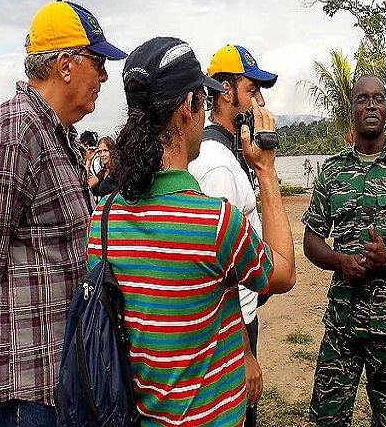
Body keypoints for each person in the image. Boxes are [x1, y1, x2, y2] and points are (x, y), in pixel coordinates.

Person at [87, 36, 295, 427]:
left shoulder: (102, 219)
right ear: (189, 108)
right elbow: (283, 272)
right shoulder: (216, 222)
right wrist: (266, 170)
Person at [0, 0, 126, 424]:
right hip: (25, 393)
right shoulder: (15, 131)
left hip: (57, 384)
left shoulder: (56, 135)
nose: (104, 75)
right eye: (97, 61)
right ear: (64, 65)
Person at [301, 75, 386, 427]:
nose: (371, 105)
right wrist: (338, 261)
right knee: (328, 419)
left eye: (378, 99)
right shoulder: (331, 171)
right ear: (352, 111)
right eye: (362, 99)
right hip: (342, 323)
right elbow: (311, 240)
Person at [188, 43, 279, 427]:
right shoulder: (218, 165)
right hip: (232, 326)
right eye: (251, 90)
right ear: (225, 92)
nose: (259, 102)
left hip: (239, 318)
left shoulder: (228, 154)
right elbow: (219, 269)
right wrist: (243, 350)